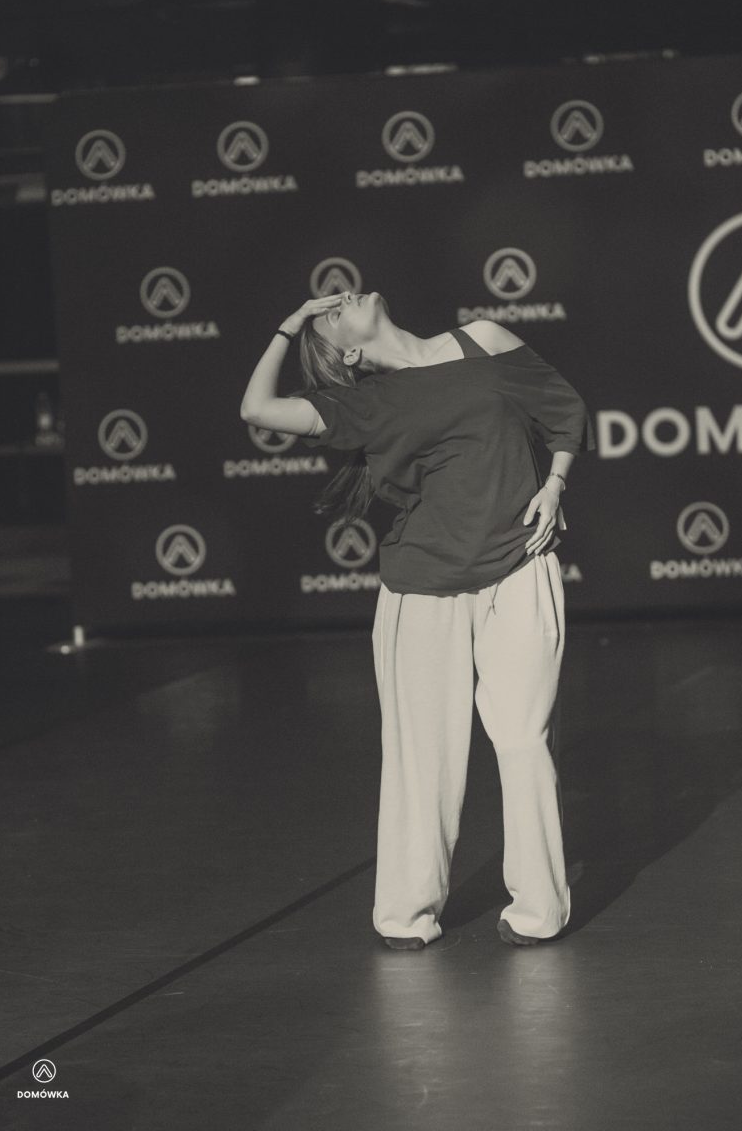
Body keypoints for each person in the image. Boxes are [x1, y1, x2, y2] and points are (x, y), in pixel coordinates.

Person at [240, 290, 596, 951]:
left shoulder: (483, 339)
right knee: (422, 753)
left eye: (335, 301)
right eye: (331, 313)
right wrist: (290, 324)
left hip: (521, 565)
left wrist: (555, 485)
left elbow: (564, 410)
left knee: (525, 740)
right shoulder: (363, 404)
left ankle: (539, 908)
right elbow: (256, 408)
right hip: (422, 588)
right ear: (348, 353)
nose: (342, 298)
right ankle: (407, 914)